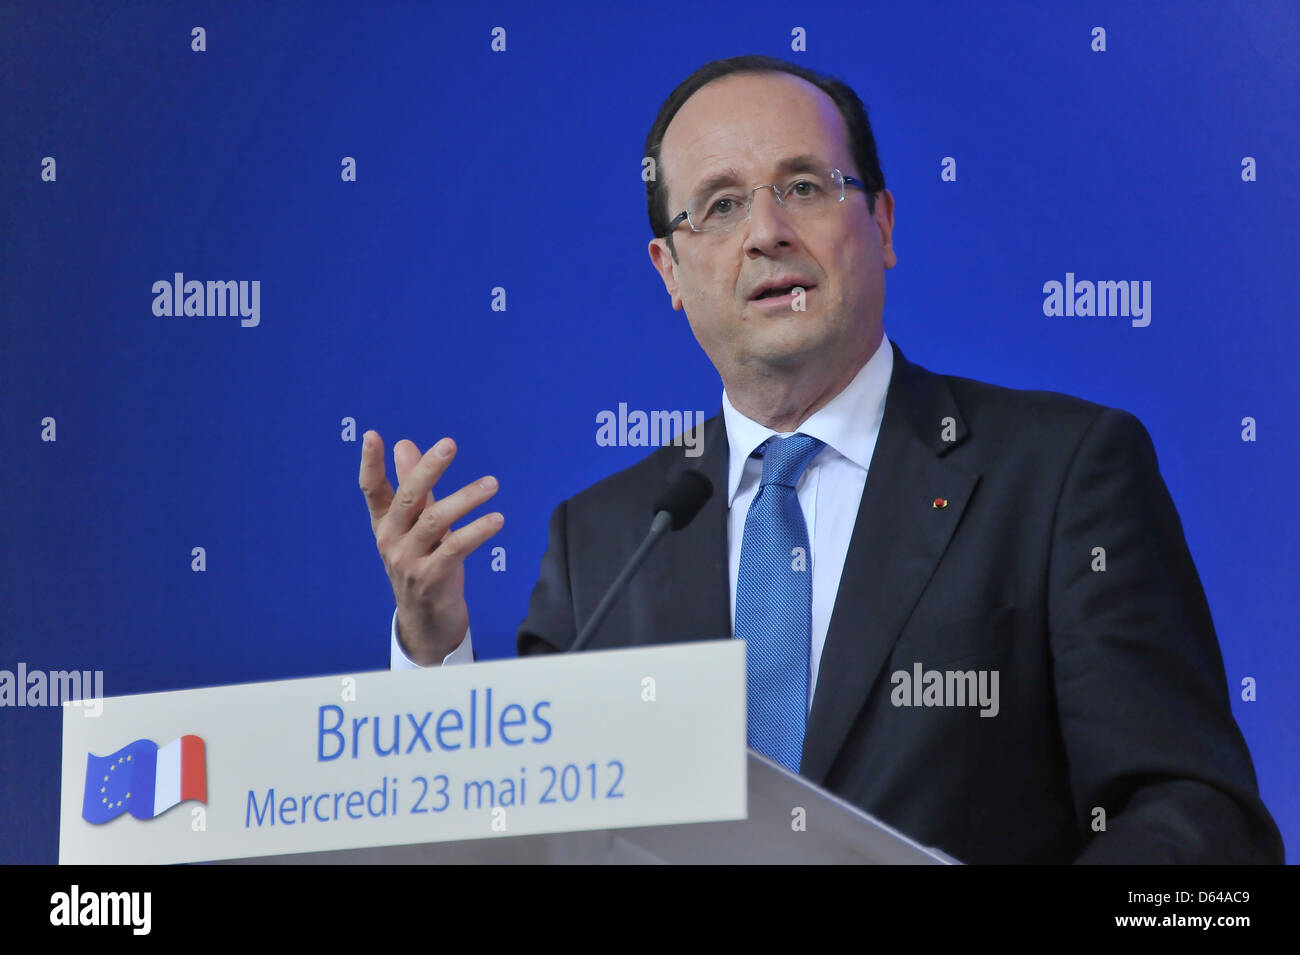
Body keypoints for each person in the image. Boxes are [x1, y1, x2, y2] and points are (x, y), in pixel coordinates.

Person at [357, 55, 1283, 864]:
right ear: (669, 273)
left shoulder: (1062, 473)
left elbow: (1201, 828)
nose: (765, 230)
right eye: (719, 206)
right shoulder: (604, 539)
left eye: (803, 186)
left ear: (880, 225)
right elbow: (520, 830)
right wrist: (434, 656)